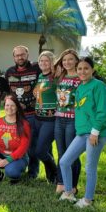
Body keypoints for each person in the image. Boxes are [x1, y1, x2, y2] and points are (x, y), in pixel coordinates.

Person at [59, 57, 106, 208]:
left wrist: (95, 132)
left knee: (90, 166)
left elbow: (105, 111)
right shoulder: (80, 88)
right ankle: (69, 192)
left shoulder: (98, 86)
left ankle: (88, 200)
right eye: (79, 69)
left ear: (92, 70)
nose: (82, 71)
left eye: (86, 68)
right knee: (64, 161)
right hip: (82, 133)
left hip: (96, 134)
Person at [5, 45, 41, 178]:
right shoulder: (9, 72)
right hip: (16, 116)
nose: (20, 57)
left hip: (32, 115)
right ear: (13, 57)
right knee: (17, 143)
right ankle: (18, 166)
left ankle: (33, 172)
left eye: (22, 54)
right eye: (17, 55)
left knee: (32, 145)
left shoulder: (36, 68)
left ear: (27, 54)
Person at [0, 93, 31, 183]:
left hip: (19, 157)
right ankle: (0, 175)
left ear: (17, 107)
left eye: (12, 105)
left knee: (11, 171)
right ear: (4, 106)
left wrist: (8, 160)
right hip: (1, 154)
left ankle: (16, 177)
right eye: (7, 105)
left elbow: (23, 147)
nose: (9, 108)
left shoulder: (24, 124)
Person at [53, 49, 81, 194]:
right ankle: (61, 182)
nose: (67, 62)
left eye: (70, 59)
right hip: (59, 118)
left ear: (76, 60)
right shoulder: (61, 76)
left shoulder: (81, 78)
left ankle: (73, 186)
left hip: (73, 120)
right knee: (61, 152)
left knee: (72, 153)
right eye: (64, 60)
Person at [32, 51, 58, 184]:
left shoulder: (56, 77)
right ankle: (51, 179)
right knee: (47, 149)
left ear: (52, 62)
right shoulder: (41, 76)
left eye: (46, 61)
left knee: (40, 151)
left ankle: (57, 173)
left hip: (50, 119)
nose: (43, 63)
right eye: (41, 61)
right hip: (38, 118)